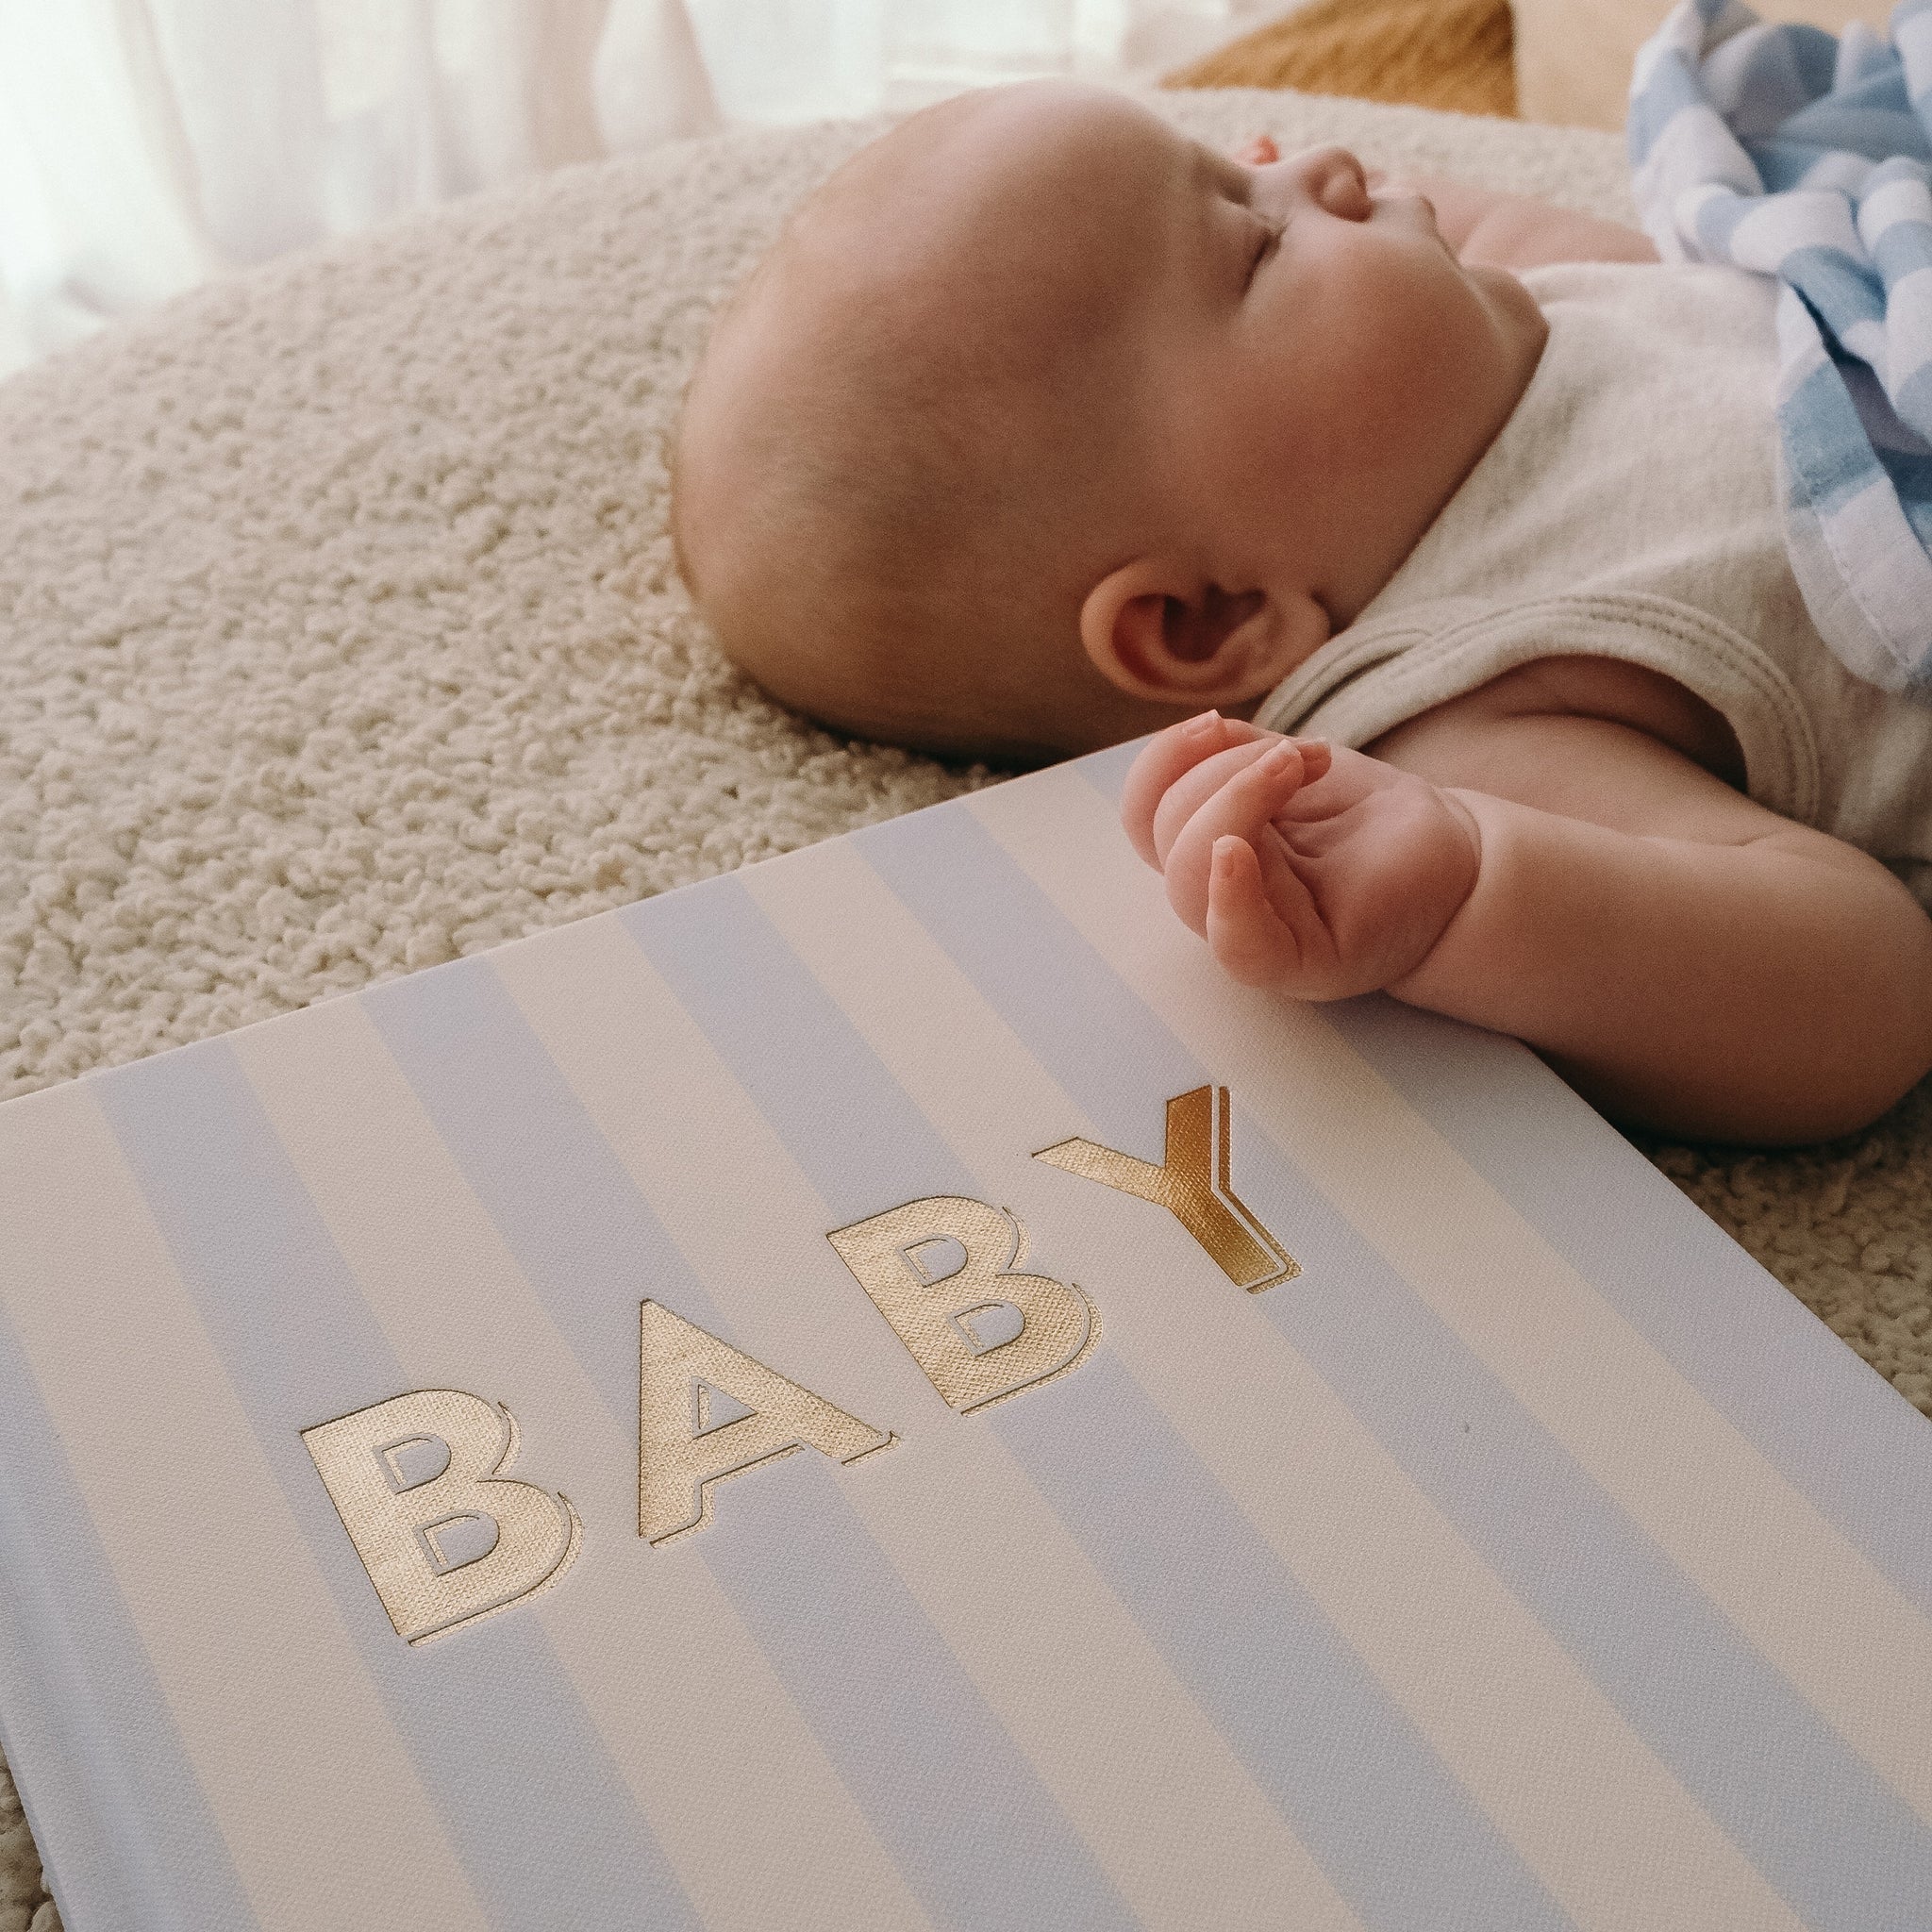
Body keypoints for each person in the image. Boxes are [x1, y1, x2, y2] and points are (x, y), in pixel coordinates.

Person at [670, 80, 1932, 1147]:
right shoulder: (1478, 698)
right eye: (1256, 243)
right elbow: (1864, 991)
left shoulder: (1491, 338)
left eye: (1246, 167)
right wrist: (1475, 891)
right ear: (1213, 620)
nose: (1320, 167)